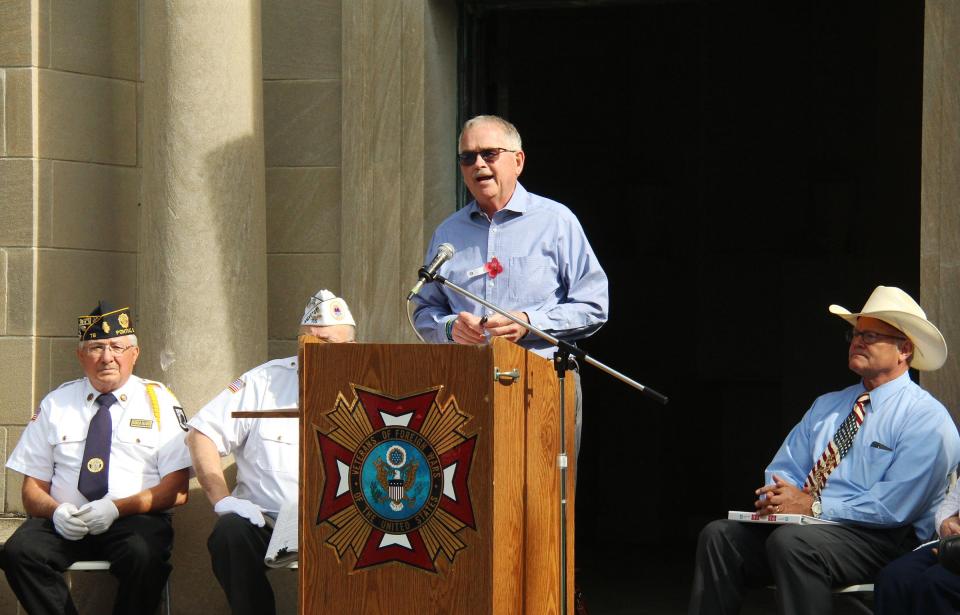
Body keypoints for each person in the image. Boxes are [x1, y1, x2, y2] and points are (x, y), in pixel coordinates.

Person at [689, 285, 960, 615]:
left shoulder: (925, 417)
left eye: (871, 336)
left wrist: (815, 507)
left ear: (904, 349)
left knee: (792, 544)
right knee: (719, 536)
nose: (857, 342)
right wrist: (779, 499)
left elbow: (895, 508)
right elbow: (784, 468)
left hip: (884, 539)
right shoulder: (828, 405)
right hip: (809, 528)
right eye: (855, 334)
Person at [412, 114, 609, 453]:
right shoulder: (448, 232)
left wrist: (529, 323)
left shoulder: (556, 222)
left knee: (541, 500)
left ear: (517, 161)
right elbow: (423, 308)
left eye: (489, 154)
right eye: (467, 157)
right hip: (465, 387)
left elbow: (593, 306)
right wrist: (449, 329)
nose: (478, 165)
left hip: (542, 382)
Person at [0, 302, 192, 615]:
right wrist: (57, 510)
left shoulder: (158, 401)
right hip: (66, 521)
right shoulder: (56, 404)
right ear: (80, 356)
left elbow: (178, 489)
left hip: (134, 520)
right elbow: (32, 490)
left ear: (135, 353)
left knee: (144, 556)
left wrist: (115, 508)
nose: (107, 357)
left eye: (117, 346)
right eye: (96, 347)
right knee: (20, 552)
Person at [186, 290, 356, 615]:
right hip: (271, 518)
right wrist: (223, 499)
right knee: (229, 535)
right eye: (310, 342)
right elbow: (201, 433)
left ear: (350, 348)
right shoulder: (264, 382)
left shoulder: (375, 381)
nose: (316, 351)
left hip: (346, 519)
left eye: (328, 344)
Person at [874, 469, 960, 612]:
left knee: (937, 582)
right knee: (895, 577)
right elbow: (952, 502)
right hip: (953, 542)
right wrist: (946, 523)